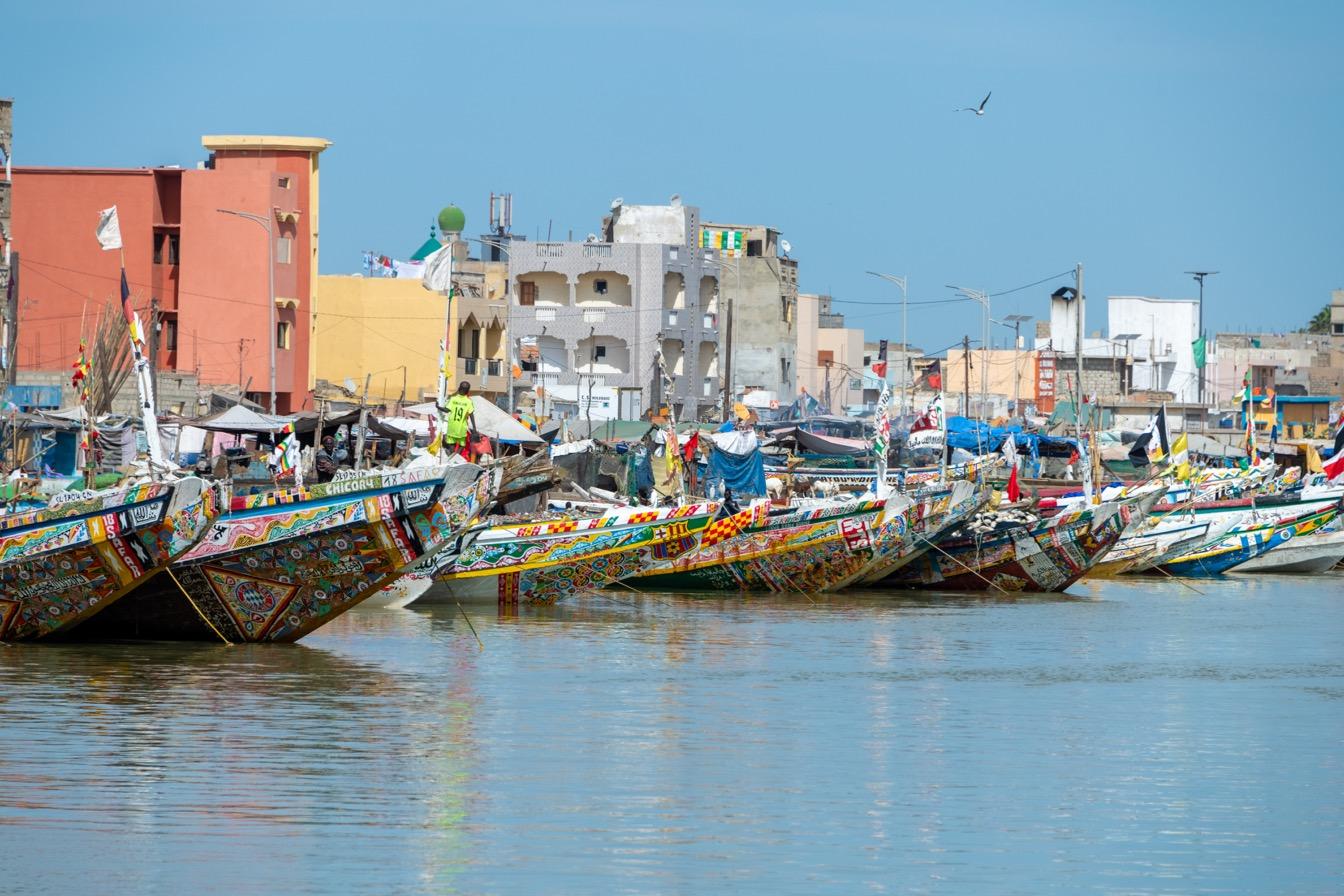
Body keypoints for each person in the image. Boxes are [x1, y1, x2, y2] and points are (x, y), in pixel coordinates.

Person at [441, 381, 478, 460]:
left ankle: (451, 458)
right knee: (462, 445)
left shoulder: (453, 399)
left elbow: (446, 410)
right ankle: (455, 457)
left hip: (452, 426)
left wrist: (438, 407)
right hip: (461, 427)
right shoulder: (468, 401)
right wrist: (474, 428)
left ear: (459, 388)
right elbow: (471, 414)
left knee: (451, 444)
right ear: (468, 391)